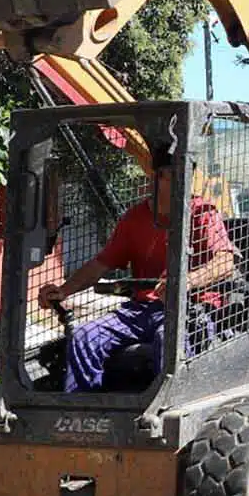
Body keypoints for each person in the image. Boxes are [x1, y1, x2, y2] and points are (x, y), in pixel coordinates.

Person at [37, 154, 237, 392]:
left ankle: (165, 409)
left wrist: (187, 282)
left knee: (169, 339)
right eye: (173, 176)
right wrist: (63, 291)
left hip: (192, 310)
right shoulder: (135, 219)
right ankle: (84, 410)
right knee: (83, 336)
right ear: (157, 178)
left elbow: (226, 262)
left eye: (187, 175)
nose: (183, 183)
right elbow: (100, 264)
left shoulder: (203, 212)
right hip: (141, 311)